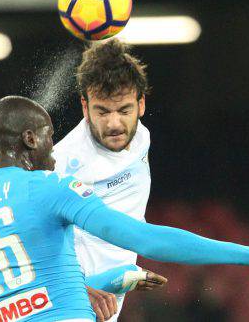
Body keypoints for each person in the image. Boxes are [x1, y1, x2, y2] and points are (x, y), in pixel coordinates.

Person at [0, 95, 249, 322]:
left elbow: (30, 298)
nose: (53, 150)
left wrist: (118, 280)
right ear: (29, 139)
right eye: (47, 136)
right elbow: (143, 239)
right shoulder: (48, 187)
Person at [53, 40, 159, 320]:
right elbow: (26, 237)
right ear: (85, 108)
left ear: (141, 104)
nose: (114, 124)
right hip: (71, 305)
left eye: (124, 110)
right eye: (102, 111)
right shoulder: (60, 162)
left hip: (108, 304)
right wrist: (78, 289)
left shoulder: (141, 138)